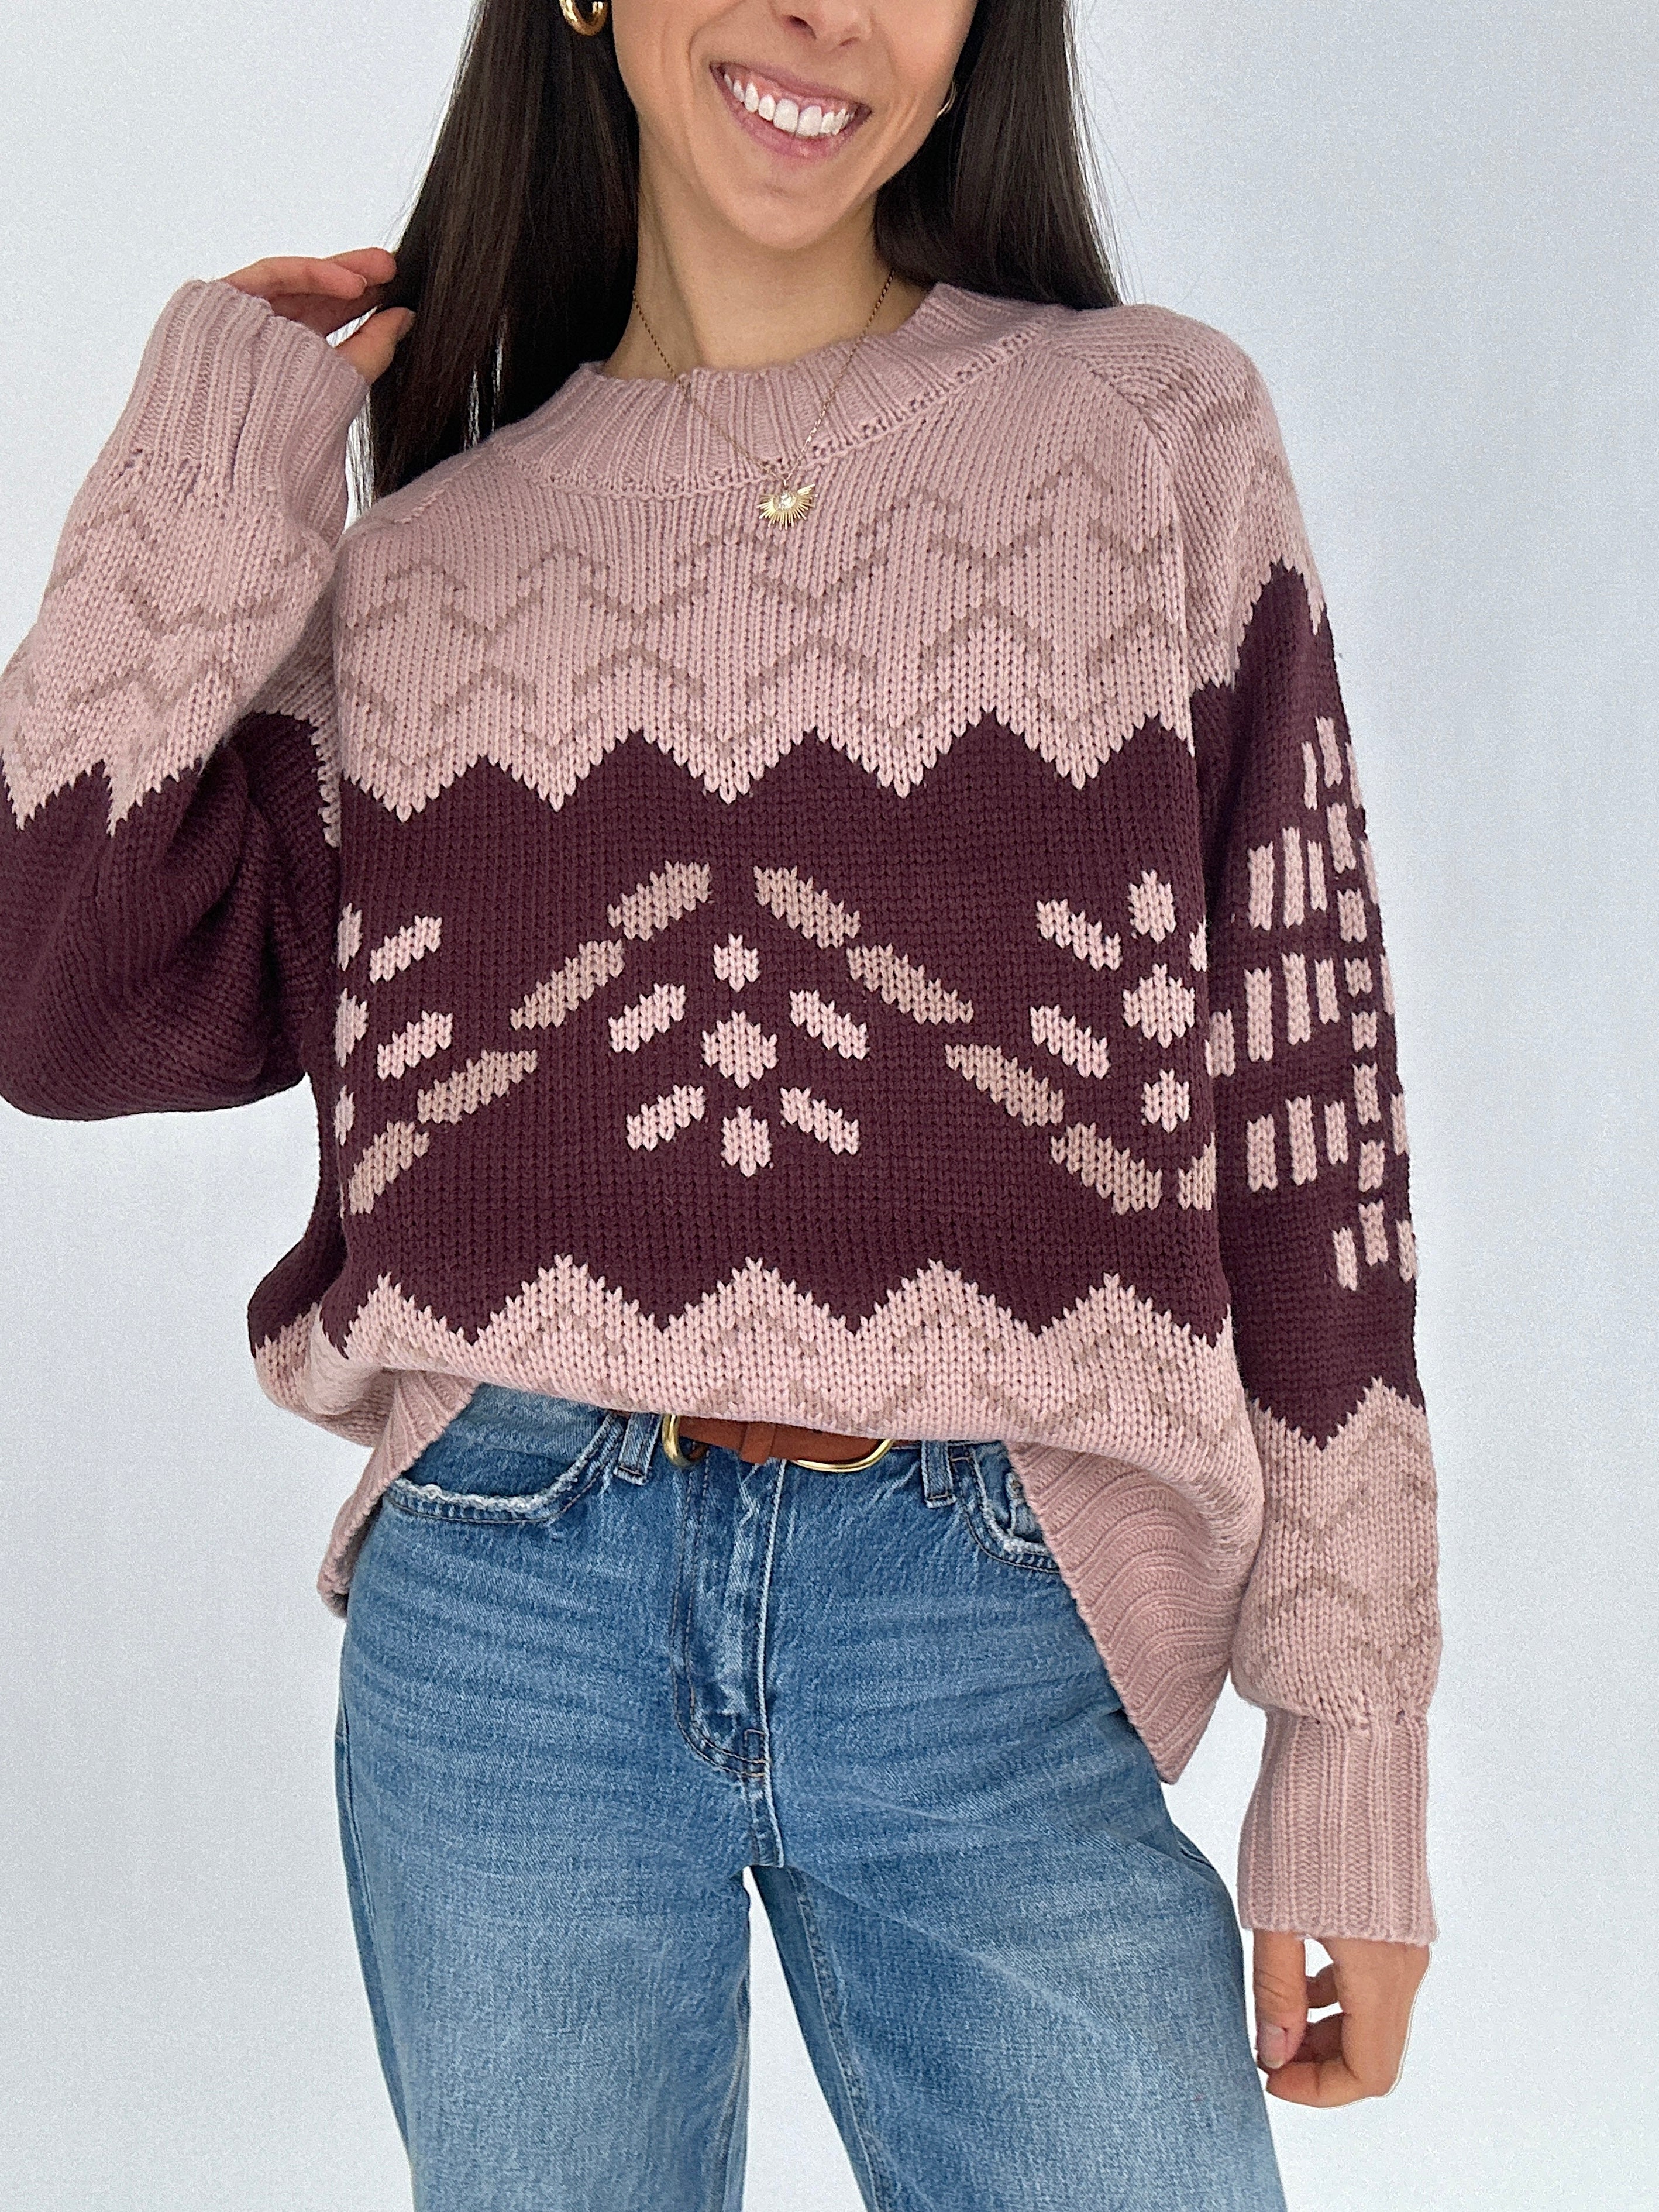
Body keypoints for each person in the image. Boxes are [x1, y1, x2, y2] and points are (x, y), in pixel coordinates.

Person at [0, 0, 1441, 2203]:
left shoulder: (1145, 434)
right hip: (509, 1608)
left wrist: (1348, 1739)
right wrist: (203, 469)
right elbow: (64, 1003)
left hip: (997, 1606)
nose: (821, 17)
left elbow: (1306, 1084)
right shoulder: (419, 568)